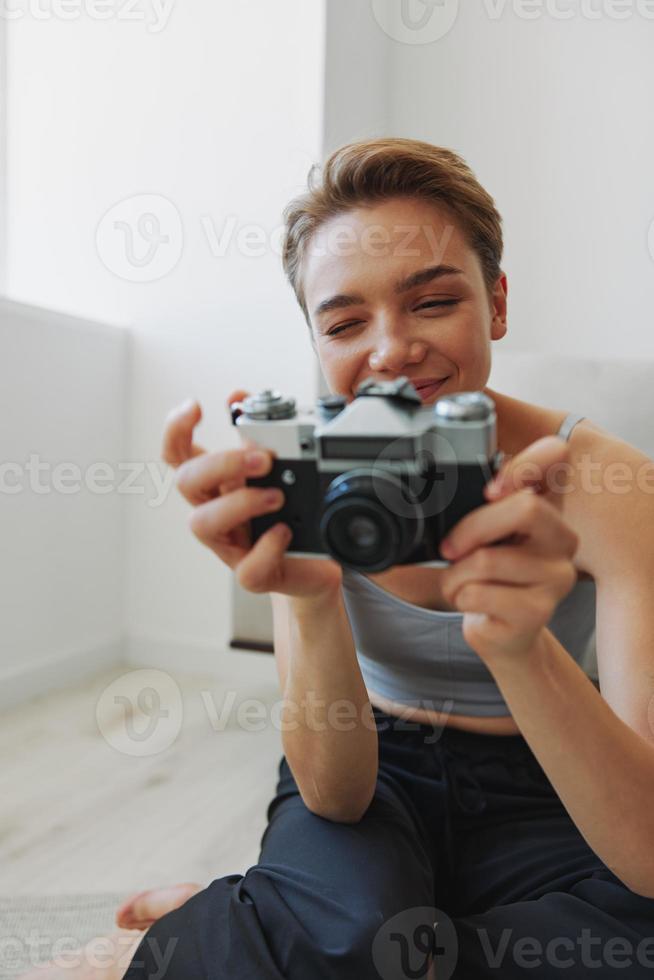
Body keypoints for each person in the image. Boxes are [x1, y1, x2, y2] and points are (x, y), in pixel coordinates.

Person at [24, 138, 654, 979]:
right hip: (375, 764)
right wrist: (313, 597)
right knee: (365, 926)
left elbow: (647, 850)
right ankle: (320, 926)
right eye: (346, 323)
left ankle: (267, 926)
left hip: (548, 775)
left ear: (495, 304)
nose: (390, 350)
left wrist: (518, 648)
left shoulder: (611, 484)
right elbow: (337, 793)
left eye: (431, 303)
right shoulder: (305, 474)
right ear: (317, 341)